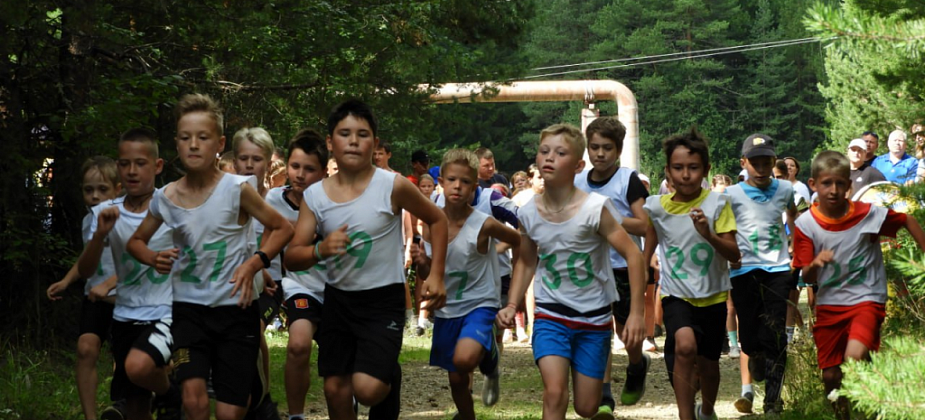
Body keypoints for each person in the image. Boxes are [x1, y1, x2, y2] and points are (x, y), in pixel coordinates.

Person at [127, 93, 294, 420]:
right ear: (176, 143)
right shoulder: (166, 196)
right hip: (189, 312)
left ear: (218, 144)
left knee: (231, 413)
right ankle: (172, 397)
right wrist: (152, 258)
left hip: (237, 310)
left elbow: (282, 228)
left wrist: (254, 262)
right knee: (194, 401)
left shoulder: (237, 189)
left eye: (202, 138)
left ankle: (256, 398)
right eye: (185, 138)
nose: (193, 145)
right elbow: (136, 242)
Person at [285, 99, 448, 420]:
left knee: (368, 389)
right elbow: (293, 256)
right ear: (331, 143)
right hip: (338, 300)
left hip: (382, 300)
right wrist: (321, 249)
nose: (354, 140)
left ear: (374, 143)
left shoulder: (392, 185)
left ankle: (389, 377)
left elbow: (438, 220)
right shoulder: (316, 196)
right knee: (335, 389)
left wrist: (437, 275)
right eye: (345, 133)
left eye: (363, 134)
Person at [498, 123, 646, 420]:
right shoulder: (528, 212)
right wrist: (512, 304)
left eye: (560, 153)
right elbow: (526, 261)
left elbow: (633, 255)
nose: (549, 158)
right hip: (551, 315)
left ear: (578, 165)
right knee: (554, 393)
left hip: (594, 319)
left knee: (587, 407)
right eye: (544, 151)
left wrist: (637, 314)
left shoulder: (595, 208)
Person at [792, 151, 925, 420]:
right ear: (813, 184)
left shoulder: (868, 214)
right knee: (831, 374)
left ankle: (869, 405)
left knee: (853, 358)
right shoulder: (805, 224)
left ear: (849, 186)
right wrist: (816, 263)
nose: (834, 190)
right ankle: (847, 414)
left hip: (868, 298)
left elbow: (907, 220)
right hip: (831, 304)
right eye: (827, 183)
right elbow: (806, 277)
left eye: (841, 183)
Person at [75, 128, 181, 420]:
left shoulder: (172, 205)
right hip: (124, 315)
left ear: (157, 166)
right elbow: (86, 271)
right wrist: (99, 237)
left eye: (140, 163)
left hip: (166, 311)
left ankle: (171, 392)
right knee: (135, 404)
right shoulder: (104, 212)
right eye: (124, 164)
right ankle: (168, 395)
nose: (131, 171)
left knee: (139, 366)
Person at [642, 127, 741, 420]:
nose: (686, 175)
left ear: (706, 170)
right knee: (684, 347)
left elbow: (734, 255)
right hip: (675, 294)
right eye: (678, 168)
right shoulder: (655, 208)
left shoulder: (718, 204)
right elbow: (646, 252)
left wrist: (708, 234)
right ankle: (686, 416)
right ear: (668, 172)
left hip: (712, 297)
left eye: (693, 168)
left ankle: (707, 410)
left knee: (709, 365)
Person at [415, 149, 521, 420]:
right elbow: (430, 272)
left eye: (465, 182)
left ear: (475, 186)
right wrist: (421, 261)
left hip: (480, 303)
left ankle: (490, 356)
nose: (457, 187)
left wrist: (507, 257)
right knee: (457, 380)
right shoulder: (429, 223)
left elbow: (521, 238)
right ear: (441, 183)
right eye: (451, 180)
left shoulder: (483, 223)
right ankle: (467, 416)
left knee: (464, 359)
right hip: (448, 306)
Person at [573, 116, 651, 414]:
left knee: (626, 332)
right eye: (594, 148)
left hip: (624, 266)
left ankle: (636, 363)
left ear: (618, 150)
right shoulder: (578, 181)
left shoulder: (627, 180)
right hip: (591, 268)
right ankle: (604, 396)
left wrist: (609, 220)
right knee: (599, 330)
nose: (600, 154)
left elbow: (644, 225)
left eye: (607, 148)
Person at [725, 134, 798, 415]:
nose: (761, 167)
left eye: (766, 161)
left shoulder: (784, 189)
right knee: (750, 336)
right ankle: (754, 354)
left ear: (773, 161)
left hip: (777, 268)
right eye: (755, 162)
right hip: (743, 270)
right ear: (744, 163)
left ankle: (773, 400)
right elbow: (724, 227)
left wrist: (792, 245)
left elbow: (794, 214)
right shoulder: (731, 194)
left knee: (776, 335)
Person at [47, 156, 122, 420]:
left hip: (124, 300)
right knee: (85, 348)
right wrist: (66, 281)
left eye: (102, 189)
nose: (94, 196)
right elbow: (86, 259)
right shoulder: (87, 221)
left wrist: (110, 284)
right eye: (88, 189)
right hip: (94, 297)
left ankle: (125, 407)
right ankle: (91, 416)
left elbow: (136, 260)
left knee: (127, 362)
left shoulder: (126, 219)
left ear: (118, 189)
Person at [275, 129, 328, 420]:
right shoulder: (270, 201)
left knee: (339, 361)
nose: (300, 174)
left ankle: (348, 396)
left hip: (337, 287)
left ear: (323, 172)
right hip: (299, 286)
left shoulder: (336, 200)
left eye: (309, 169)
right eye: (295, 166)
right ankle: (296, 415)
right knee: (297, 345)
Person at [232, 126, 284, 417]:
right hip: (233, 282)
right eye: (243, 158)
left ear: (269, 162)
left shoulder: (275, 199)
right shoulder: (224, 193)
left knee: (254, 330)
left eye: (257, 158)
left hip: (272, 284)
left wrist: (261, 265)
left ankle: (261, 397)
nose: (249, 165)